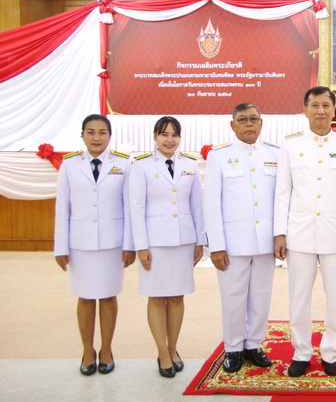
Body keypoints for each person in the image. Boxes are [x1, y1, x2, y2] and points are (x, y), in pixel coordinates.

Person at [274, 87, 336, 378]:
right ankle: (301, 352)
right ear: (305, 109)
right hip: (299, 233)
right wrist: (279, 233)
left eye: (326, 105)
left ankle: (330, 352)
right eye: (315, 105)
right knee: (299, 297)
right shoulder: (290, 145)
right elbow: (282, 192)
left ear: (334, 110)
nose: (320, 111)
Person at [54, 114, 135, 376]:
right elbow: (62, 207)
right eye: (91, 132)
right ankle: (88, 350)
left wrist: (130, 244)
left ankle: (107, 349)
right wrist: (60, 247)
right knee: (86, 296)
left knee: (109, 296)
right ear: (82, 135)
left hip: (112, 243)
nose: (96, 137)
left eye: (102, 132)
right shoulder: (69, 164)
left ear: (110, 136)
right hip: (81, 243)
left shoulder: (123, 163)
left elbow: (129, 207)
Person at [204, 103, 279, 373]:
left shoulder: (275, 154)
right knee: (233, 297)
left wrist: (280, 236)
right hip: (232, 243)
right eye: (243, 119)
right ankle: (233, 347)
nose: (249, 124)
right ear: (233, 125)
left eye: (253, 119)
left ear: (261, 123)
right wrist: (216, 245)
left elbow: (281, 199)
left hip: (265, 242)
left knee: (261, 296)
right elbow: (211, 203)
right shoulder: (219, 156)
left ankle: (254, 344)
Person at [129, 116, 206, 378]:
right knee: (156, 297)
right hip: (155, 244)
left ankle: (173, 349)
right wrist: (141, 246)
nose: (169, 140)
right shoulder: (141, 166)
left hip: (183, 241)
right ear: (155, 136)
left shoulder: (190, 164)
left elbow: (197, 205)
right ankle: (162, 353)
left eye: (174, 135)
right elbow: (136, 208)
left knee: (176, 297)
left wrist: (199, 240)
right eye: (164, 134)